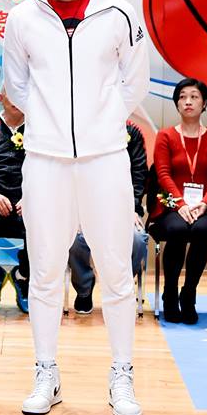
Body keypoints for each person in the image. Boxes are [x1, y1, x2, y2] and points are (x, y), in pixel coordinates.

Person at [3, 0, 149, 415]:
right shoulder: (22, 16)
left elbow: (134, 83)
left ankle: (122, 374)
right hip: (45, 162)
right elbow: (17, 86)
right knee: (45, 271)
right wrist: (50, 126)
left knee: (117, 271)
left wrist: (100, 126)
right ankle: (46, 372)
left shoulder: (119, 12)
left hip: (105, 159)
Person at [149, 78, 207, 325]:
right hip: (170, 206)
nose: (188, 101)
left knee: (202, 229)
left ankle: (189, 294)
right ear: (176, 103)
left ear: (204, 103)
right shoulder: (165, 136)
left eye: (194, 96)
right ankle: (170, 293)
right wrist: (181, 204)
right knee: (177, 229)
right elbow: (163, 174)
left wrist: (204, 203)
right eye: (182, 96)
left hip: (205, 207)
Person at [69, 121, 149, 314]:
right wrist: (76, 211)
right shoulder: (80, 128)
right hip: (86, 206)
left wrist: (132, 208)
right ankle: (84, 289)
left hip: (123, 207)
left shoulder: (131, 131)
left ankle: (119, 287)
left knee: (137, 240)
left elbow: (139, 174)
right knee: (73, 239)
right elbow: (72, 174)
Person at [0, 88, 29, 314]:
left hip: (27, 202)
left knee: (43, 221)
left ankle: (23, 276)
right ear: (0, 98)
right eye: (10, 93)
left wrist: (30, 197)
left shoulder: (38, 131)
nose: (15, 99)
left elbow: (46, 170)